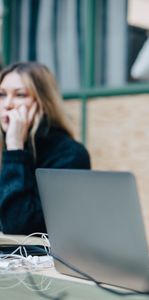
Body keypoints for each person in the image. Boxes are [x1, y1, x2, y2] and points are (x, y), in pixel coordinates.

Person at [0, 62, 91, 234]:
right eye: (1, 94)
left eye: (20, 95)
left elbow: (19, 225)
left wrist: (15, 148)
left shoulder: (69, 154)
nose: (8, 104)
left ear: (42, 102)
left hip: (33, 258)